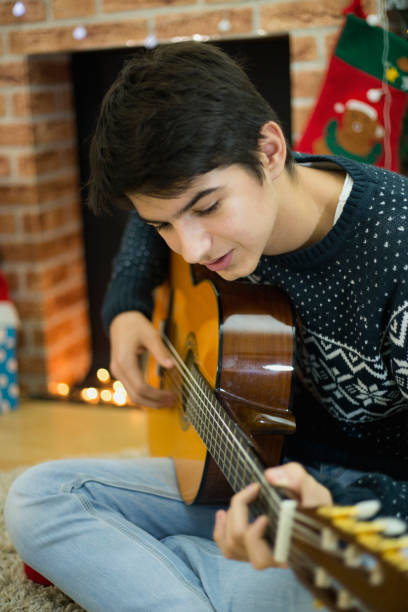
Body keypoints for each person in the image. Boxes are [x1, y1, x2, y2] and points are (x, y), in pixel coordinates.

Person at [5, 41, 408, 612]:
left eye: (208, 207)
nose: (192, 249)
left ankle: (171, 573)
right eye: (166, 222)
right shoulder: (207, 210)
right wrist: (125, 307)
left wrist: (335, 505)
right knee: (40, 497)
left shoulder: (398, 254)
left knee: (347, 586)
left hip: (357, 519)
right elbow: (158, 214)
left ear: (268, 151)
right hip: (248, 473)